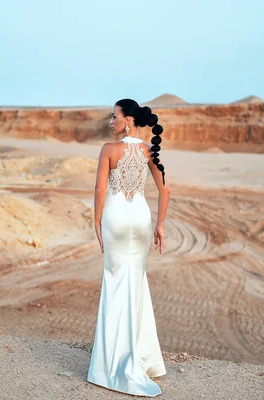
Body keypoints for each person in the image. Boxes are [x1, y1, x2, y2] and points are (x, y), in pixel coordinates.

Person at [87, 98, 170, 397]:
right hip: (141, 219)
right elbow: (165, 189)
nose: (110, 122)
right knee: (136, 283)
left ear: (128, 120)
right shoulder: (149, 150)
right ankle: (140, 358)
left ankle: (109, 365)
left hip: (117, 218)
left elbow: (99, 189)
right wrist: (160, 225)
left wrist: (96, 222)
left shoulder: (109, 150)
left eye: (114, 116)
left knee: (114, 282)